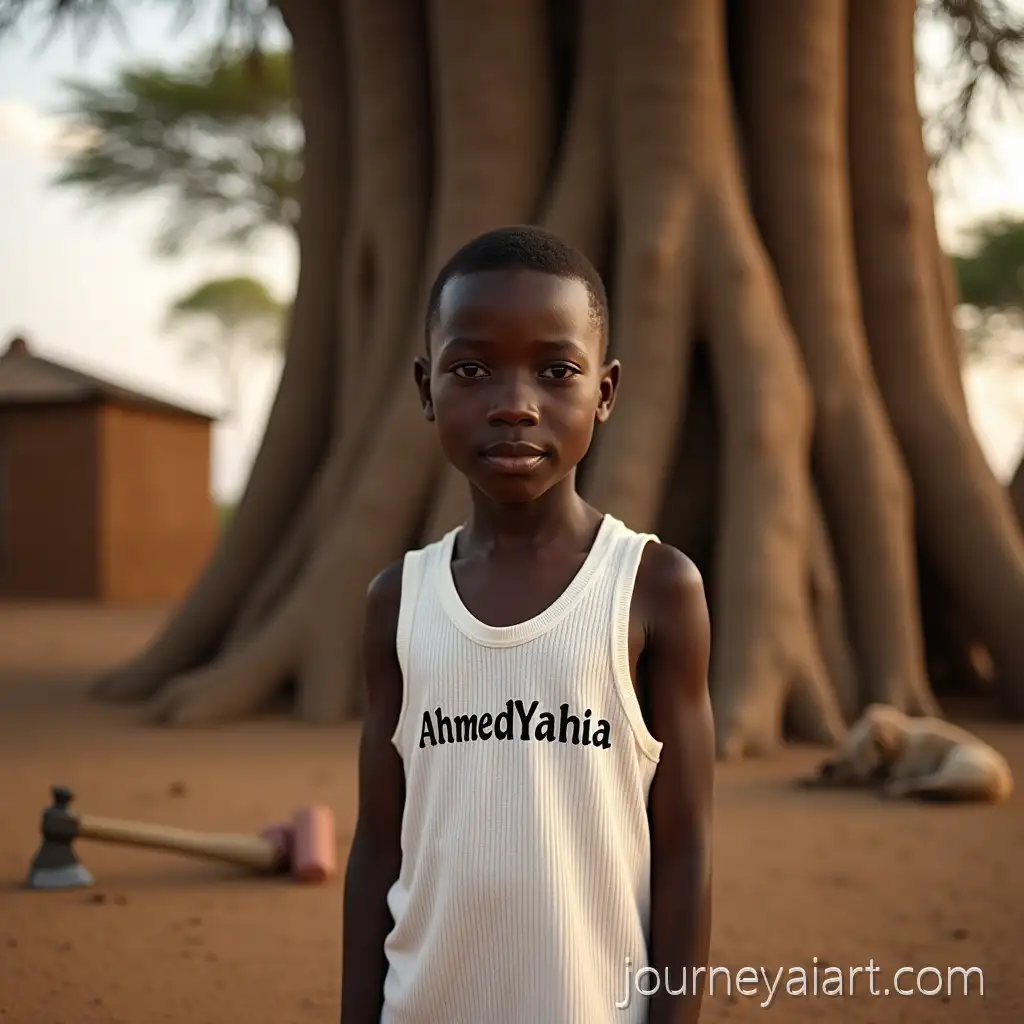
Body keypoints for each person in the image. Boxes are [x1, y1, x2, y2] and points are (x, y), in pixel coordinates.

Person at [340, 225, 715, 1024]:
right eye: (471, 369)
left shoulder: (652, 587)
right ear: (425, 388)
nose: (514, 404)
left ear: (605, 392)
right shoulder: (397, 601)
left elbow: (684, 849)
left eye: (557, 370)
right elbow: (378, 848)